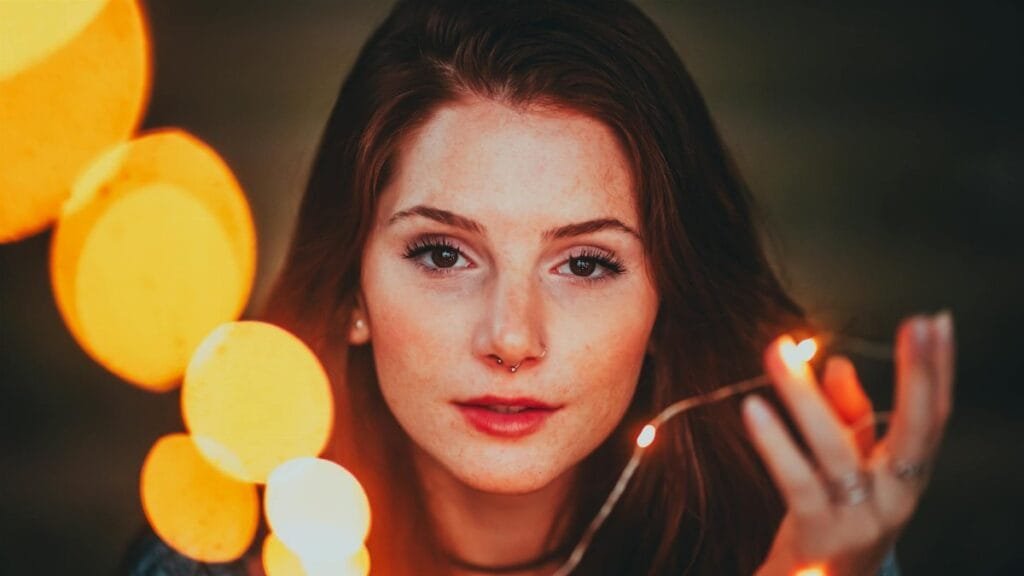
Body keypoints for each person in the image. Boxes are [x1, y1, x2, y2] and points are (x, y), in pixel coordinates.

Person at [126, 0, 955, 574]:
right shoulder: (219, 552)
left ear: (668, 298)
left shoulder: (796, 545)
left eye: (587, 263)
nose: (512, 338)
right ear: (352, 289)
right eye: (444, 254)